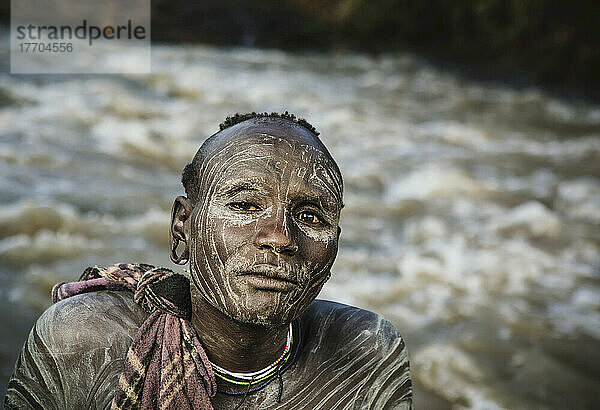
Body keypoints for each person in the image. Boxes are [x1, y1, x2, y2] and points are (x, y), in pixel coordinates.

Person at [5, 112, 412, 409]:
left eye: (310, 217)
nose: (280, 237)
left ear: (335, 245)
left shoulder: (366, 357)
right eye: (246, 205)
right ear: (184, 224)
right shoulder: (81, 340)